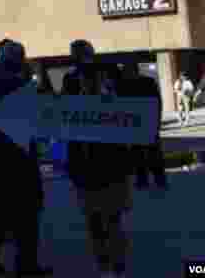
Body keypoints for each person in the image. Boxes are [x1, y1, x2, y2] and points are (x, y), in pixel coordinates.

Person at [0, 40, 52, 277]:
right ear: (19, 58)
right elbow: (37, 112)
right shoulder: (19, 82)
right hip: (17, 152)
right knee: (29, 207)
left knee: (1, 207)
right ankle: (25, 263)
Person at [63, 40, 133, 278]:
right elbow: (66, 117)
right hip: (86, 162)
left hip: (110, 161)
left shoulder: (110, 76)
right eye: (77, 57)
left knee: (111, 218)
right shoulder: (70, 81)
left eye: (81, 56)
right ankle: (106, 265)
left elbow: (127, 109)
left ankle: (116, 264)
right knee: (96, 219)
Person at [118, 63, 167, 190]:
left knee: (152, 152)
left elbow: (157, 101)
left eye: (127, 71)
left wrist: (157, 119)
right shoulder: (123, 85)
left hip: (148, 121)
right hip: (135, 124)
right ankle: (143, 179)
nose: (125, 74)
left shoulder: (146, 82)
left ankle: (158, 179)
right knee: (137, 152)